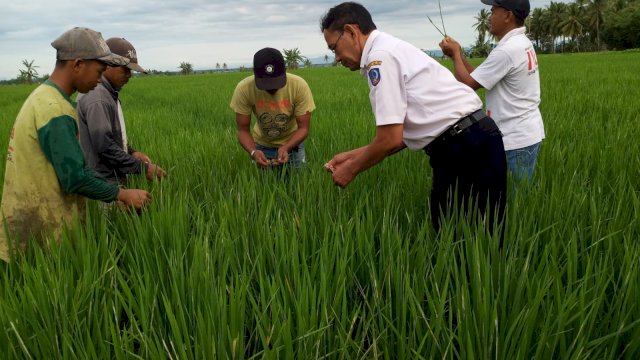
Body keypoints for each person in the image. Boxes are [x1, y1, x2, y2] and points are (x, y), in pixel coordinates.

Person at [320, 2, 507, 233]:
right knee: (476, 236)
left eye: (334, 48)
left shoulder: (379, 58)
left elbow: (389, 139)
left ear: (351, 31)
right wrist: (352, 156)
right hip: (472, 140)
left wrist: (351, 169)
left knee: (462, 238)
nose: (337, 58)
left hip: (464, 148)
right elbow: (399, 138)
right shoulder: (388, 48)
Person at [0, 27, 151, 262]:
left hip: (36, 220)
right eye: (99, 70)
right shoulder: (54, 110)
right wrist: (122, 194)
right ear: (78, 64)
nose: (99, 78)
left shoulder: (44, 99)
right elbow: (75, 177)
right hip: (45, 230)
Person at [439, 0, 544, 182]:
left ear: (508, 15)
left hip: (515, 139)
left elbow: (468, 84)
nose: (490, 16)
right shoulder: (520, 42)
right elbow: (479, 77)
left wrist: (455, 54)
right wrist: (459, 55)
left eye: (494, 10)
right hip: (524, 133)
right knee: (512, 201)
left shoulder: (507, 50)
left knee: (511, 203)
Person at [78, 37, 166, 185]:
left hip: (108, 181)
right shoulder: (98, 96)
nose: (129, 75)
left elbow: (109, 137)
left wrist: (131, 152)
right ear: (107, 64)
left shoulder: (108, 92)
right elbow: (104, 146)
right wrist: (143, 168)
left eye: (130, 70)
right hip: (102, 185)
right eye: (125, 69)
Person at [230, 47, 315, 170]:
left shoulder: (299, 86)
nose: (271, 89)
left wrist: (286, 148)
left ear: (284, 71)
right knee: (266, 187)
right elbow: (243, 130)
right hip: (262, 146)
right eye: (265, 84)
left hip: (293, 144)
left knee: (298, 184)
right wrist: (253, 152)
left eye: (276, 82)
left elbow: (303, 128)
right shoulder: (244, 89)